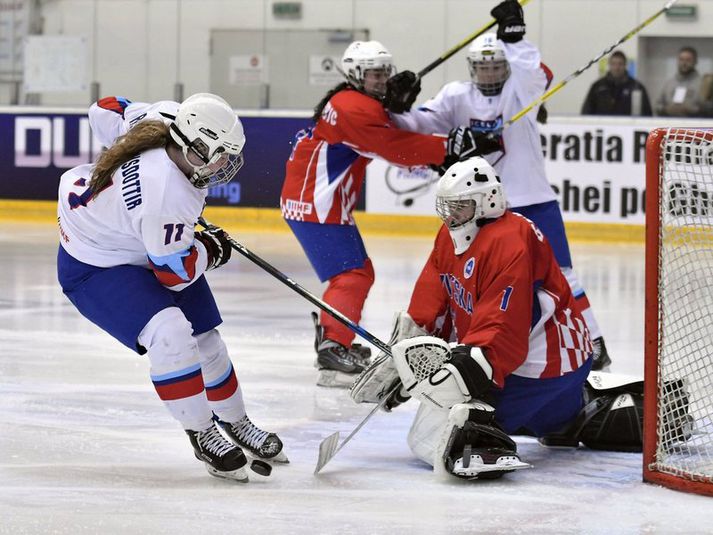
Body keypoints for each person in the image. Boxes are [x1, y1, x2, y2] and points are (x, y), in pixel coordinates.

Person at [351, 157, 649, 480]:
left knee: (434, 438)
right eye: (447, 207)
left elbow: (502, 328)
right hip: (527, 360)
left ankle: (491, 435)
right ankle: (583, 410)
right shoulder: (451, 236)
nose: (451, 217)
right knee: (541, 421)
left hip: (546, 361)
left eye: (460, 207)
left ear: (487, 202)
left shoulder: (510, 240)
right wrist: (406, 353)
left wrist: (464, 371)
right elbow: (434, 292)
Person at [57, 93, 287, 482]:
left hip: (135, 240)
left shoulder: (161, 118)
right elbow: (175, 273)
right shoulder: (165, 194)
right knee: (171, 335)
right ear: (196, 148)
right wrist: (211, 250)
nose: (224, 165)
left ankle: (235, 421)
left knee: (207, 340)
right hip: (95, 262)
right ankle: (201, 431)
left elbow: (106, 107)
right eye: (221, 155)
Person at [389, 0, 611, 371]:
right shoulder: (457, 95)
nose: (490, 73)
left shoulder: (520, 93)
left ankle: (594, 340)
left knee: (563, 275)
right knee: (472, 280)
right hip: (480, 210)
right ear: (472, 68)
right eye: (483, 66)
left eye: (497, 65)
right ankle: (472, 348)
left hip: (532, 200)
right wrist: (395, 106)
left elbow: (534, 74)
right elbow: (418, 125)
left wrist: (515, 38)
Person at [279, 40, 500, 387]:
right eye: (373, 74)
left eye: (384, 73)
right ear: (355, 75)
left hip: (315, 200)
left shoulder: (350, 99)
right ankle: (333, 350)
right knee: (352, 275)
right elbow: (391, 145)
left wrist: (393, 107)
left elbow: (386, 132)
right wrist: (450, 147)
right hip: (317, 203)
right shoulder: (351, 106)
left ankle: (334, 341)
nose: (381, 80)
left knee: (356, 273)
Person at [581, 50, 652, 116]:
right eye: (613, 64)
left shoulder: (636, 87)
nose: (616, 67)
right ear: (609, 65)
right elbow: (586, 112)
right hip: (602, 128)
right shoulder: (597, 87)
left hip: (628, 128)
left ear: (625, 65)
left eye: (620, 64)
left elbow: (647, 114)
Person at [656, 46, 703, 117]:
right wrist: (666, 110)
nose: (684, 63)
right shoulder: (669, 84)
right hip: (670, 125)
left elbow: (710, 109)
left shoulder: (703, 84)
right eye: (681, 59)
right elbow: (657, 106)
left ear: (695, 61)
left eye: (688, 60)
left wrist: (692, 110)